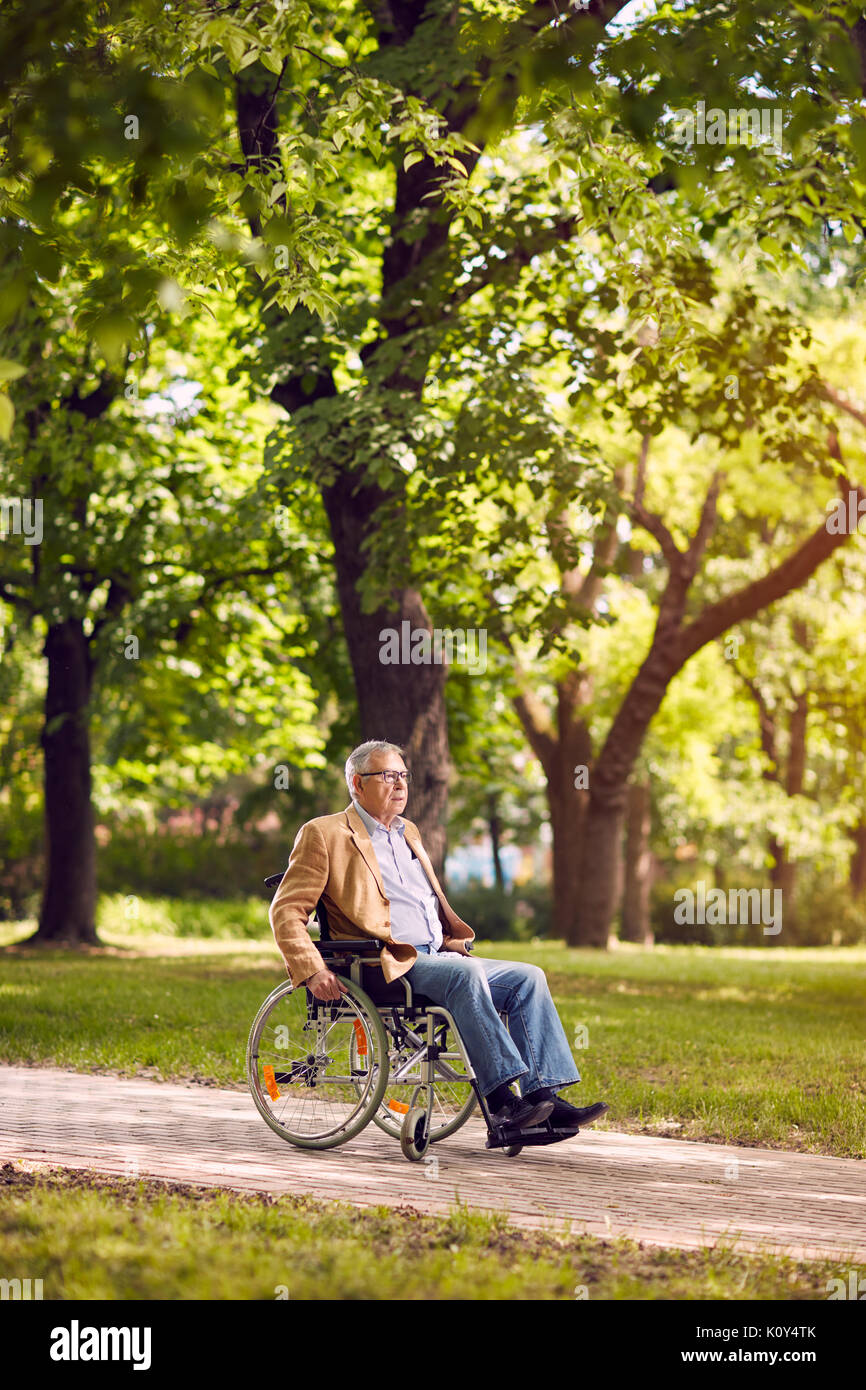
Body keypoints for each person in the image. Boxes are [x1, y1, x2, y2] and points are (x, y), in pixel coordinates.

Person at [269, 739, 609, 1139]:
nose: (400, 785)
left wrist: (448, 941)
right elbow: (286, 911)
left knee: (528, 977)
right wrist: (312, 970)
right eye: (388, 776)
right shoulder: (324, 833)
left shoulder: (407, 832)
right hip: (383, 962)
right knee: (463, 978)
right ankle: (502, 1104)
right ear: (358, 784)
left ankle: (544, 1099)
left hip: (438, 955)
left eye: (403, 776)